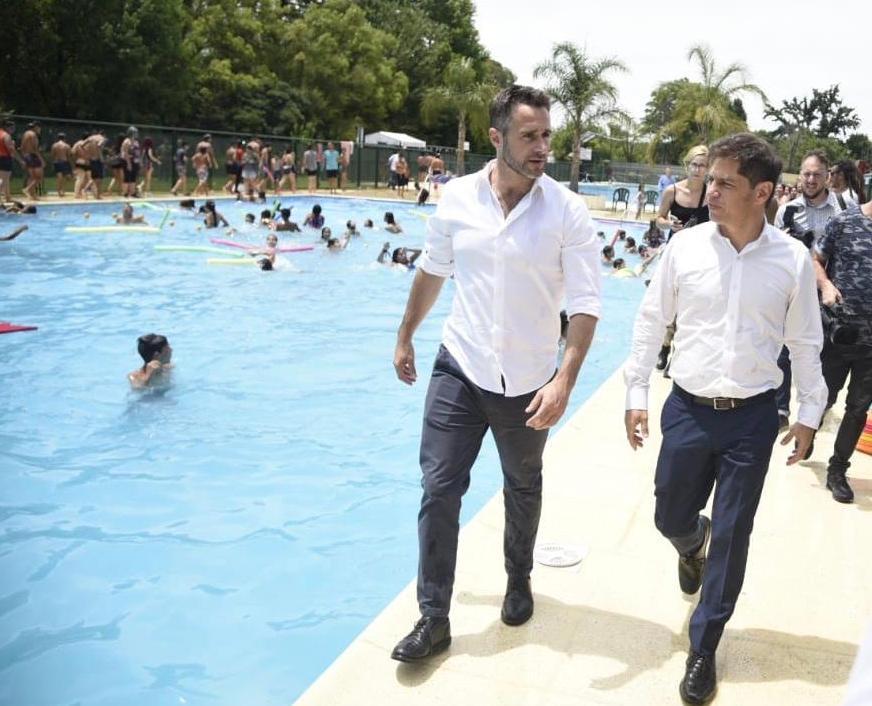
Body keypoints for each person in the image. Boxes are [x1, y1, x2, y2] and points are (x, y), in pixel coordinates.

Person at [389, 85, 601, 663]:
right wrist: (405, 334)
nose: (542, 147)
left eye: (547, 135)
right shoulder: (457, 198)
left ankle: (518, 577)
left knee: (522, 486)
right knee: (439, 487)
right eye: (529, 136)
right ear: (496, 137)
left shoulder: (567, 211)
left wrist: (563, 381)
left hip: (528, 382)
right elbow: (434, 270)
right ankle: (433, 617)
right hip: (460, 366)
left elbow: (586, 304)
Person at [623, 133, 827, 705]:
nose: (709, 190)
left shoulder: (790, 259)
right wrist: (636, 391)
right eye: (710, 179)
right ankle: (692, 543)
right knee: (669, 514)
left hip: (752, 419)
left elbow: (805, 342)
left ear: (761, 193)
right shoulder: (685, 249)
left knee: (734, 534)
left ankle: (704, 646)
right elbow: (651, 320)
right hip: (687, 409)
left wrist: (809, 413)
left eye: (724, 183)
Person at [773, 150, 851, 429]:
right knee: (783, 347)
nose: (810, 179)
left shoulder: (844, 208)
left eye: (817, 174)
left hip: (828, 289)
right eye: (806, 173)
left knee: (821, 351)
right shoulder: (787, 210)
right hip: (792, 287)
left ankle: (816, 409)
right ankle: (780, 409)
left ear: (827, 176)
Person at [812, 197, 872, 503]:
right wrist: (825, 285)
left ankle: (837, 469)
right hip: (840, 334)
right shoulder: (845, 221)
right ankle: (808, 431)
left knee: (858, 408)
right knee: (825, 396)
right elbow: (816, 259)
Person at [655, 145, 710, 374]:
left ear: (708, 169)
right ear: (687, 165)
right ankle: (664, 346)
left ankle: (678, 353)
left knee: (691, 306)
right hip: (675, 255)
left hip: (702, 258)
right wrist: (669, 224)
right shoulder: (672, 191)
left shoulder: (711, 194)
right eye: (694, 165)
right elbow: (658, 218)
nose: (698, 170)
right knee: (669, 303)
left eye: (703, 166)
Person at [0, 120, 26, 202]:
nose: (13, 130)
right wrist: (21, 161)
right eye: (12, 128)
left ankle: (7, 197)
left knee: (4, 179)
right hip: (4, 158)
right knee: (4, 180)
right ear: (7, 127)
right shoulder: (6, 136)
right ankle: (7, 197)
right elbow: (11, 150)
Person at [20, 122, 44, 201]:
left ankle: (32, 195)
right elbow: (35, 149)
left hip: (27, 156)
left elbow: (22, 147)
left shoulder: (25, 134)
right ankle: (27, 189)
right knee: (39, 177)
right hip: (33, 156)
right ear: (36, 127)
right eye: (39, 128)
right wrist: (41, 159)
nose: (40, 130)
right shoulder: (33, 135)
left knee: (32, 177)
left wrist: (24, 158)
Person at [120, 126, 141, 198]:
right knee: (127, 177)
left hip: (134, 161)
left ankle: (133, 192)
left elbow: (137, 152)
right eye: (134, 133)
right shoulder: (127, 141)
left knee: (133, 177)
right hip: (127, 161)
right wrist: (128, 164)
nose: (136, 134)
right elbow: (125, 153)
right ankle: (125, 193)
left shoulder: (136, 142)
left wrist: (139, 161)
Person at [50, 133, 72, 197]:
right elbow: (69, 156)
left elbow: (52, 155)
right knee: (65, 177)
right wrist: (70, 164)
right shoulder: (67, 145)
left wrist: (52, 163)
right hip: (64, 162)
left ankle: (59, 191)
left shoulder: (54, 145)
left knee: (59, 177)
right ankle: (62, 190)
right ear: (64, 138)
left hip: (56, 162)